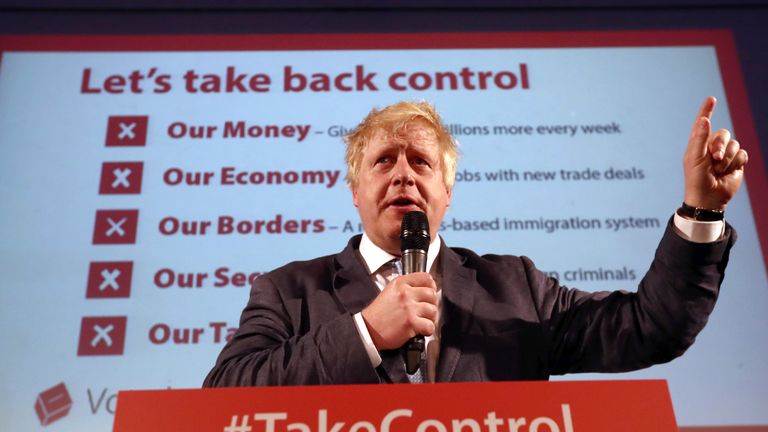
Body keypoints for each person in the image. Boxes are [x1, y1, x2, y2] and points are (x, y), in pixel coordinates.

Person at [203, 97, 747, 386]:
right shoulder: (288, 290)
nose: (402, 176)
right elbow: (227, 393)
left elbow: (648, 328)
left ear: (447, 190)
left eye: (420, 162)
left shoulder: (515, 286)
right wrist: (366, 333)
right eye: (383, 162)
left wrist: (703, 209)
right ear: (354, 190)